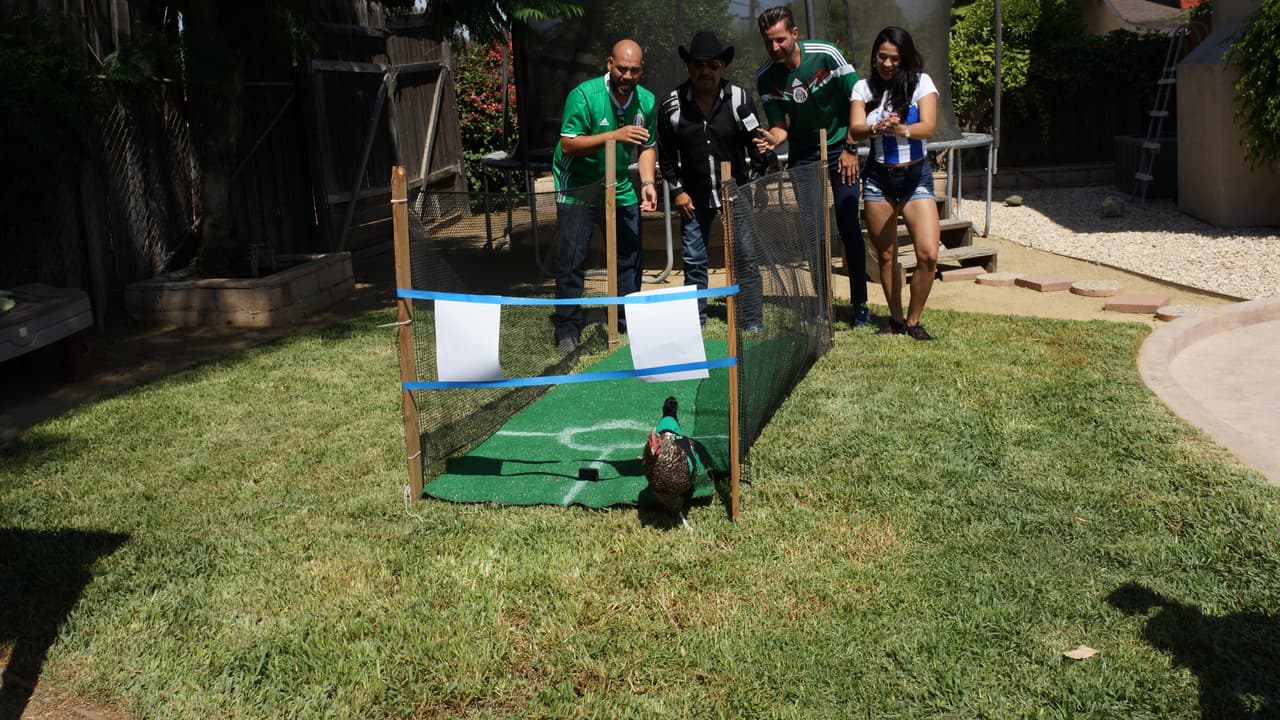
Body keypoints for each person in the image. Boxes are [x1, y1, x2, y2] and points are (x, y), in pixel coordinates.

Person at [754, 5, 869, 326]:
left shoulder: (827, 55)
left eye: (780, 40)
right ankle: (822, 306)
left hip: (841, 147)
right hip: (804, 154)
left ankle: (860, 304)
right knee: (813, 233)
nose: (774, 47)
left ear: (794, 34)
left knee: (848, 223)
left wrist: (850, 147)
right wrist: (773, 139)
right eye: (768, 42)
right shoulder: (766, 77)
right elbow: (780, 126)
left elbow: (858, 101)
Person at [552, 39, 659, 353]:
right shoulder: (585, 96)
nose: (627, 76)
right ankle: (568, 329)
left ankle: (628, 322)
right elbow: (569, 143)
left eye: (634, 70)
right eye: (622, 69)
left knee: (630, 255)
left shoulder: (647, 102)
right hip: (578, 188)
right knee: (572, 259)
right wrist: (614, 135)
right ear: (609, 64)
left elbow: (647, 146)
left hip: (620, 184)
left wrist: (648, 182)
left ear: (642, 70)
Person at [656, 30, 767, 329]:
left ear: (723, 66)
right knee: (693, 261)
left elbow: (757, 143)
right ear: (689, 66)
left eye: (713, 65)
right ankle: (697, 322)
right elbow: (664, 156)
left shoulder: (740, 98)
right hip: (693, 195)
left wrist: (755, 182)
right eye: (699, 65)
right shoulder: (671, 105)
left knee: (745, 256)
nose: (705, 71)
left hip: (736, 191)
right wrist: (677, 191)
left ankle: (752, 321)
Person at [849, 26, 940, 341]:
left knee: (928, 253)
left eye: (894, 59)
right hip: (878, 179)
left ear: (905, 59)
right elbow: (855, 129)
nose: (887, 64)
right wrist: (876, 127)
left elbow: (928, 128)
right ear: (874, 56)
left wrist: (902, 130)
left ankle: (915, 320)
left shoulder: (920, 83)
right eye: (882, 57)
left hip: (916, 177)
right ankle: (897, 320)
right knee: (887, 255)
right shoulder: (863, 88)